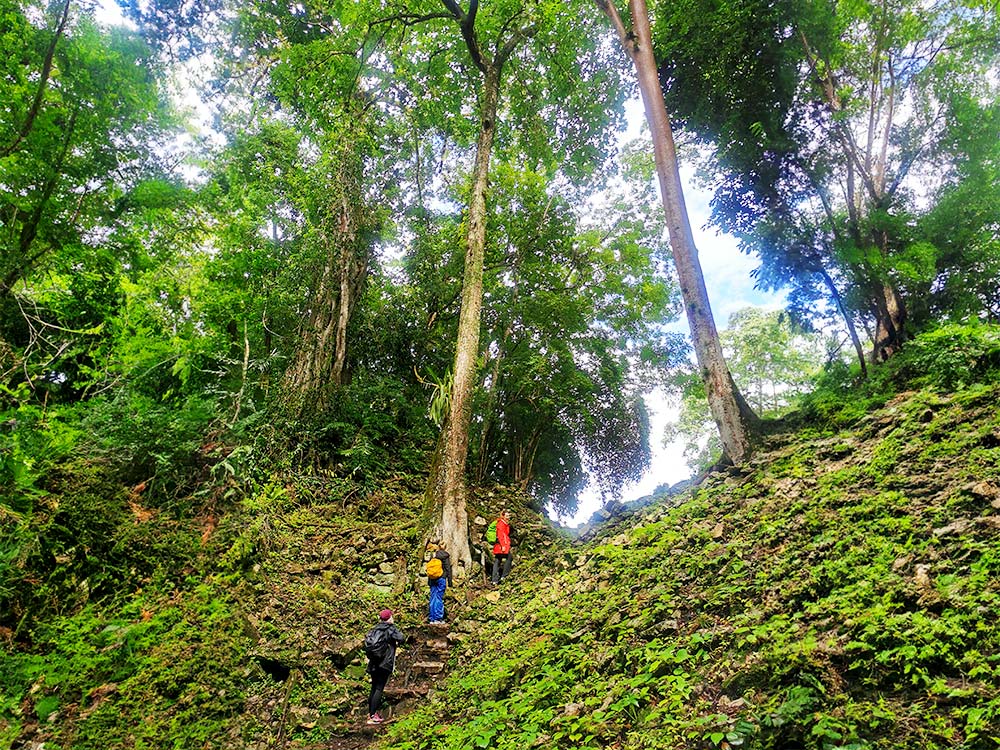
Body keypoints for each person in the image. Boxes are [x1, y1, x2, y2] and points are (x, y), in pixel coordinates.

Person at [364, 609, 405, 725]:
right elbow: (402, 638)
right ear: (390, 618)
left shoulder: (375, 629)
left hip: (374, 662)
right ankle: (373, 716)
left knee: (374, 687)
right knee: (379, 688)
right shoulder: (390, 629)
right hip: (384, 663)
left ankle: (370, 713)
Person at [426, 540, 452, 624]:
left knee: (433, 598)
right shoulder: (445, 555)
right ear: (445, 547)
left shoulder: (433, 555)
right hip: (441, 579)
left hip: (432, 579)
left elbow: (430, 569)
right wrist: (450, 582)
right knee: (439, 598)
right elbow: (448, 569)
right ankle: (438, 618)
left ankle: (432, 618)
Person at [491, 509, 514, 585]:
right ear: (503, 516)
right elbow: (501, 535)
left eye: (509, 515)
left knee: (498, 560)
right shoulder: (501, 524)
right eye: (507, 516)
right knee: (509, 557)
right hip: (501, 545)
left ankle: (495, 580)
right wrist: (503, 545)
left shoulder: (504, 523)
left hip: (501, 545)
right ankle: (504, 576)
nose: (508, 517)